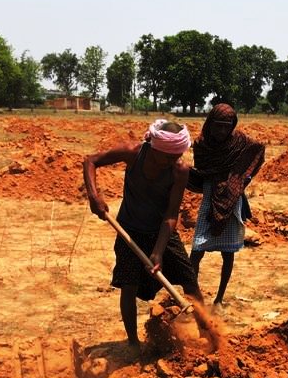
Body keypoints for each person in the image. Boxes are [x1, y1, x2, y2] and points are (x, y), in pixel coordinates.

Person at [83, 119, 204, 347]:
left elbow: (170, 215)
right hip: (129, 230)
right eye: (168, 156)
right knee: (128, 286)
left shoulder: (179, 170)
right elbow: (91, 161)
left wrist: (158, 251)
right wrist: (94, 196)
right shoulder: (133, 153)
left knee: (190, 281)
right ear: (155, 147)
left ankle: (207, 333)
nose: (173, 160)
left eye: (176, 155)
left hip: (161, 232)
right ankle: (133, 343)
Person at [187, 103, 266, 307]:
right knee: (197, 250)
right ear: (210, 123)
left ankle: (219, 299)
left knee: (228, 252)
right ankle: (193, 298)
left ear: (233, 125)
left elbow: (258, 151)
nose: (222, 131)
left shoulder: (240, 141)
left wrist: (242, 179)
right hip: (210, 197)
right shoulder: (202, 144)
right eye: (218, 125)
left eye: (227, 126)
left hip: (233, 200)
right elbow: (202, 169)